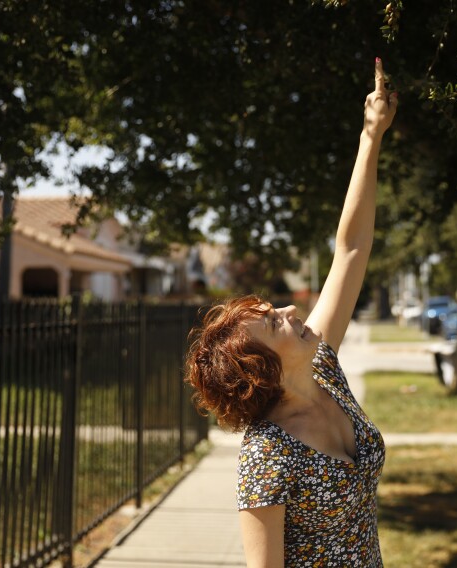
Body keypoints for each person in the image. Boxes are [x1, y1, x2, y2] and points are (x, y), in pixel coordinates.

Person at [185, 58, 397, 567]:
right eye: (273, 322)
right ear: (263, 369)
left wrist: (371, 138)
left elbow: (351, 249)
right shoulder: (267, 455)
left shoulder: (323, 369)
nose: (287, 309)